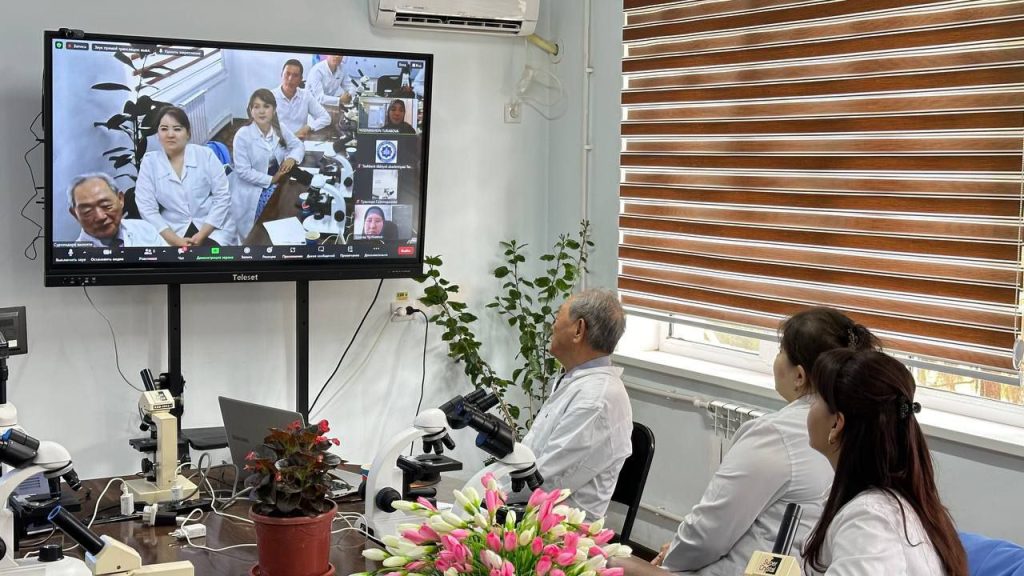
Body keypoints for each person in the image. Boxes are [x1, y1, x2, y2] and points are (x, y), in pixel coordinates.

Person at [652, 307, 880, 575]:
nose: (776, 360)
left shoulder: (777, 435)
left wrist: (670, 560)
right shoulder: (865, 426)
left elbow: (709, 533)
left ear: (799, 376)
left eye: (780, 351)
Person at [802, 348, 967, 575]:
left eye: (815, 399)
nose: (809, 407)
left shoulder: (869, 521)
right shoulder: (883, 504)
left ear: (836, 423)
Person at [516, 288, 633, 520]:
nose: (552, 327)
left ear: (579, 329)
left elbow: (546, 481)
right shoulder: (578, 381)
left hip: (558, 528)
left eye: (557, 317)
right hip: (533, 509)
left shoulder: (596, 400)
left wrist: (488, 492)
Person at [135, 106, 236, 247]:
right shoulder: (150, 162)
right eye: (164, 129)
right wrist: (175, 240)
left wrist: (202, 234)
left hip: (211, 225)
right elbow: (147, 208)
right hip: (173, 230)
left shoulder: (205, 155)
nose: (170, 134)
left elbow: (222, 196)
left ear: (188, 133)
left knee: (213, 255)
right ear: (158, 134)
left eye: (177, 129)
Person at [231, 89, 305, 241]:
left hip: (278, 179)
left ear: (274, 109)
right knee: (276, 214)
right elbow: (243, 171)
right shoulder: (242, 135)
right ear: (250, 110)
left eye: (266, 106)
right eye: (256, 106)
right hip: (252, 188)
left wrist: (292, 159)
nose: (261, 111)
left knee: (296, 197)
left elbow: (298, 145)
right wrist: (271, 180)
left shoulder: (279, 128)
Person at [67, 173, 165, 247]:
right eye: (87, 211)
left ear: (120, 199)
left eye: (106, 206)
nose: (100, 217)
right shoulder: (74, 256)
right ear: (75, 214)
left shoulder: (145, 229)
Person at [271, 59, 331, 140]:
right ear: (281, 74)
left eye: (295, 75)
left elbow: (326, 117)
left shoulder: (306, 95)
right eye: (287, 74)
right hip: (277, 142)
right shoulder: (270, 97)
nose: (290, 79)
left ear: (300, 79)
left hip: (299, 142)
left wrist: (308, 127)